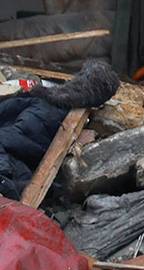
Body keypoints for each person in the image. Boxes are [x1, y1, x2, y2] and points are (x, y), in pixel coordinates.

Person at [0, 62, 119, 199]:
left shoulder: (45, 101)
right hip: (22, 155)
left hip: (13, 151)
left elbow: (9, 115)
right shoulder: (61, 105)